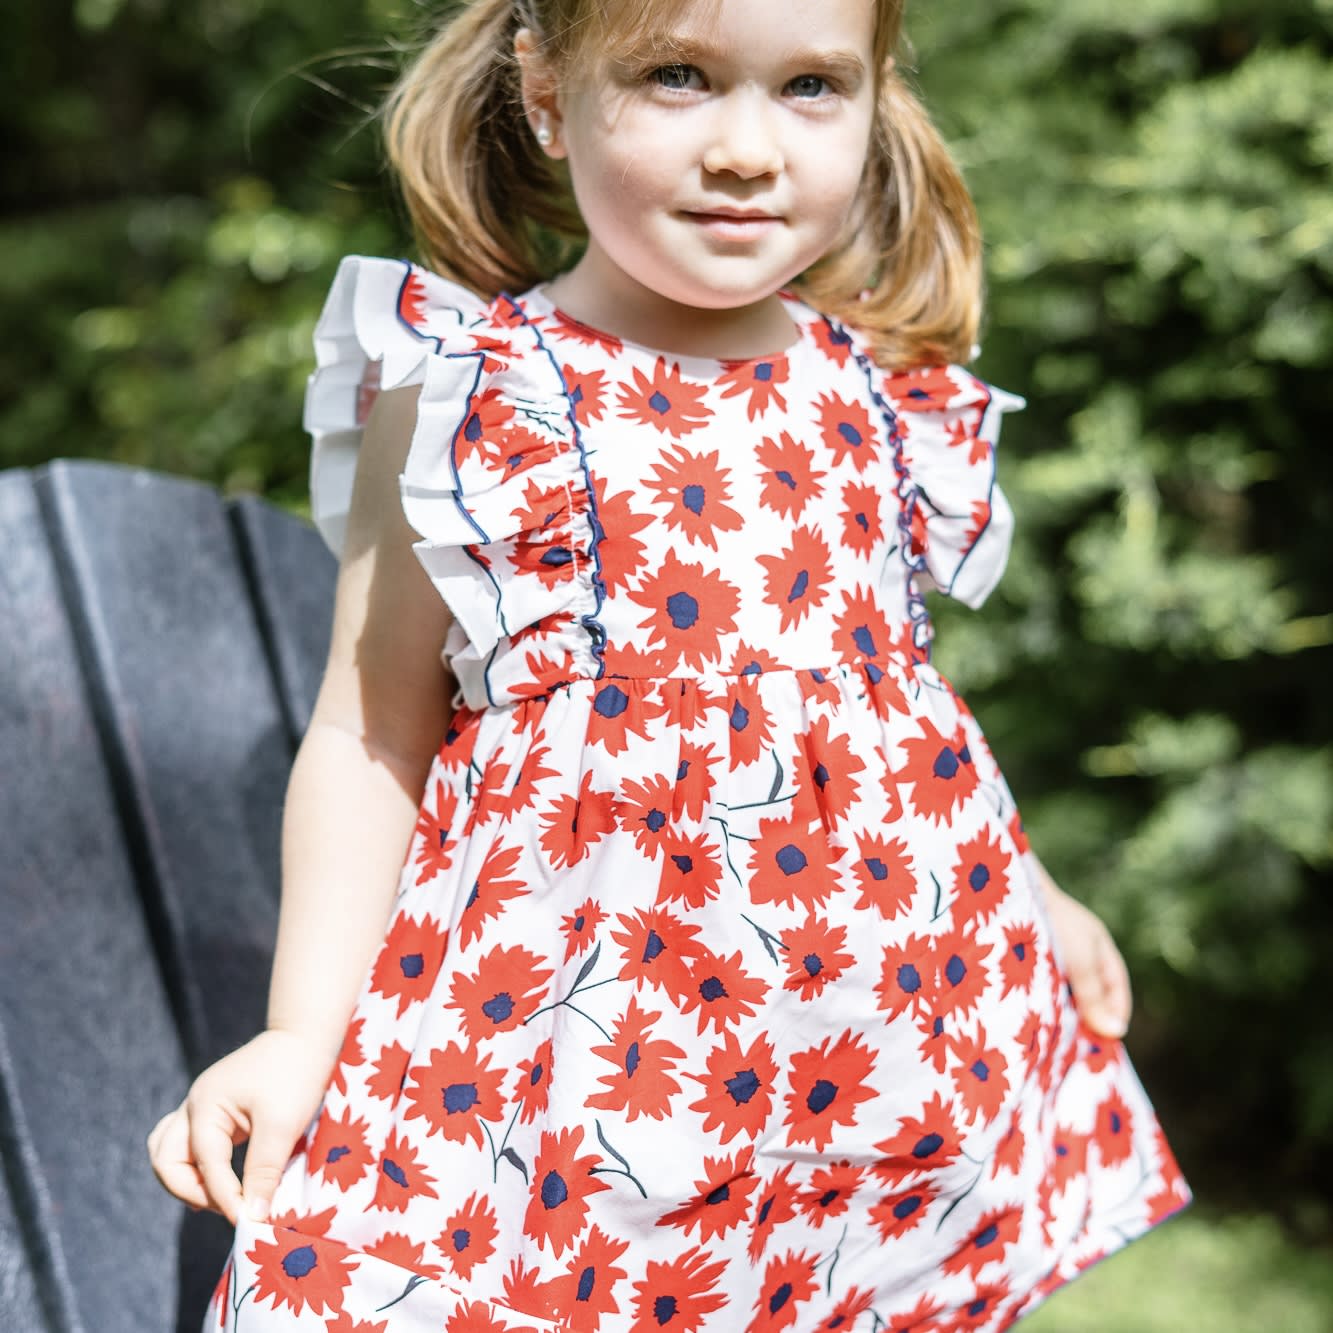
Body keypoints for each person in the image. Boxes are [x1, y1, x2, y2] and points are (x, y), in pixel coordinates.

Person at [147, 0, 1191, 1328]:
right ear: (543, 85)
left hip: (879, 1065)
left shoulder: (876, 389)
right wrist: (301, 1035)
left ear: (876, 94)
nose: (749, 149)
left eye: (809, 86)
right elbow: (371, 733)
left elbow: (894, 711)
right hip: (585, 1075)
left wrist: (1031, 887)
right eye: (678, 76)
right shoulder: (476, 389)